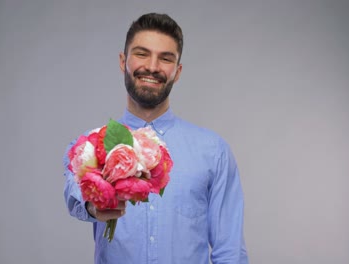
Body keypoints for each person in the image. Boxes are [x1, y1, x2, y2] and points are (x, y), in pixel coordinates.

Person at [64, 13, 249, 264]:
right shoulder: (90, 145)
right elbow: (75, 196)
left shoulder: (213, 151)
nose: (152, 66)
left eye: (165, 58)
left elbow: (230, 252)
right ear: (123, 61)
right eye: (141, 53)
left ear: (178, 71)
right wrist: (94, 205)